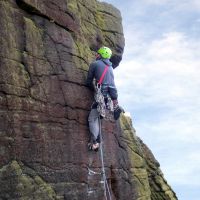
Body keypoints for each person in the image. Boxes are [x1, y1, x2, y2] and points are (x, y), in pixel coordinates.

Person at [86, 46, 124, 151]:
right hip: (108, 99)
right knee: (97, 116)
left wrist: (92, 88)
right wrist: (115, 100)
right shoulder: (110, 68)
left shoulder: (95, 64)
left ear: (101, 54)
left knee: (92, 118)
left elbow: (88, 81)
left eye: (98, 53)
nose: (96, 55)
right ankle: (116, 107)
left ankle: (95, 142)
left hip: (100, 97)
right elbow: (112, 86)